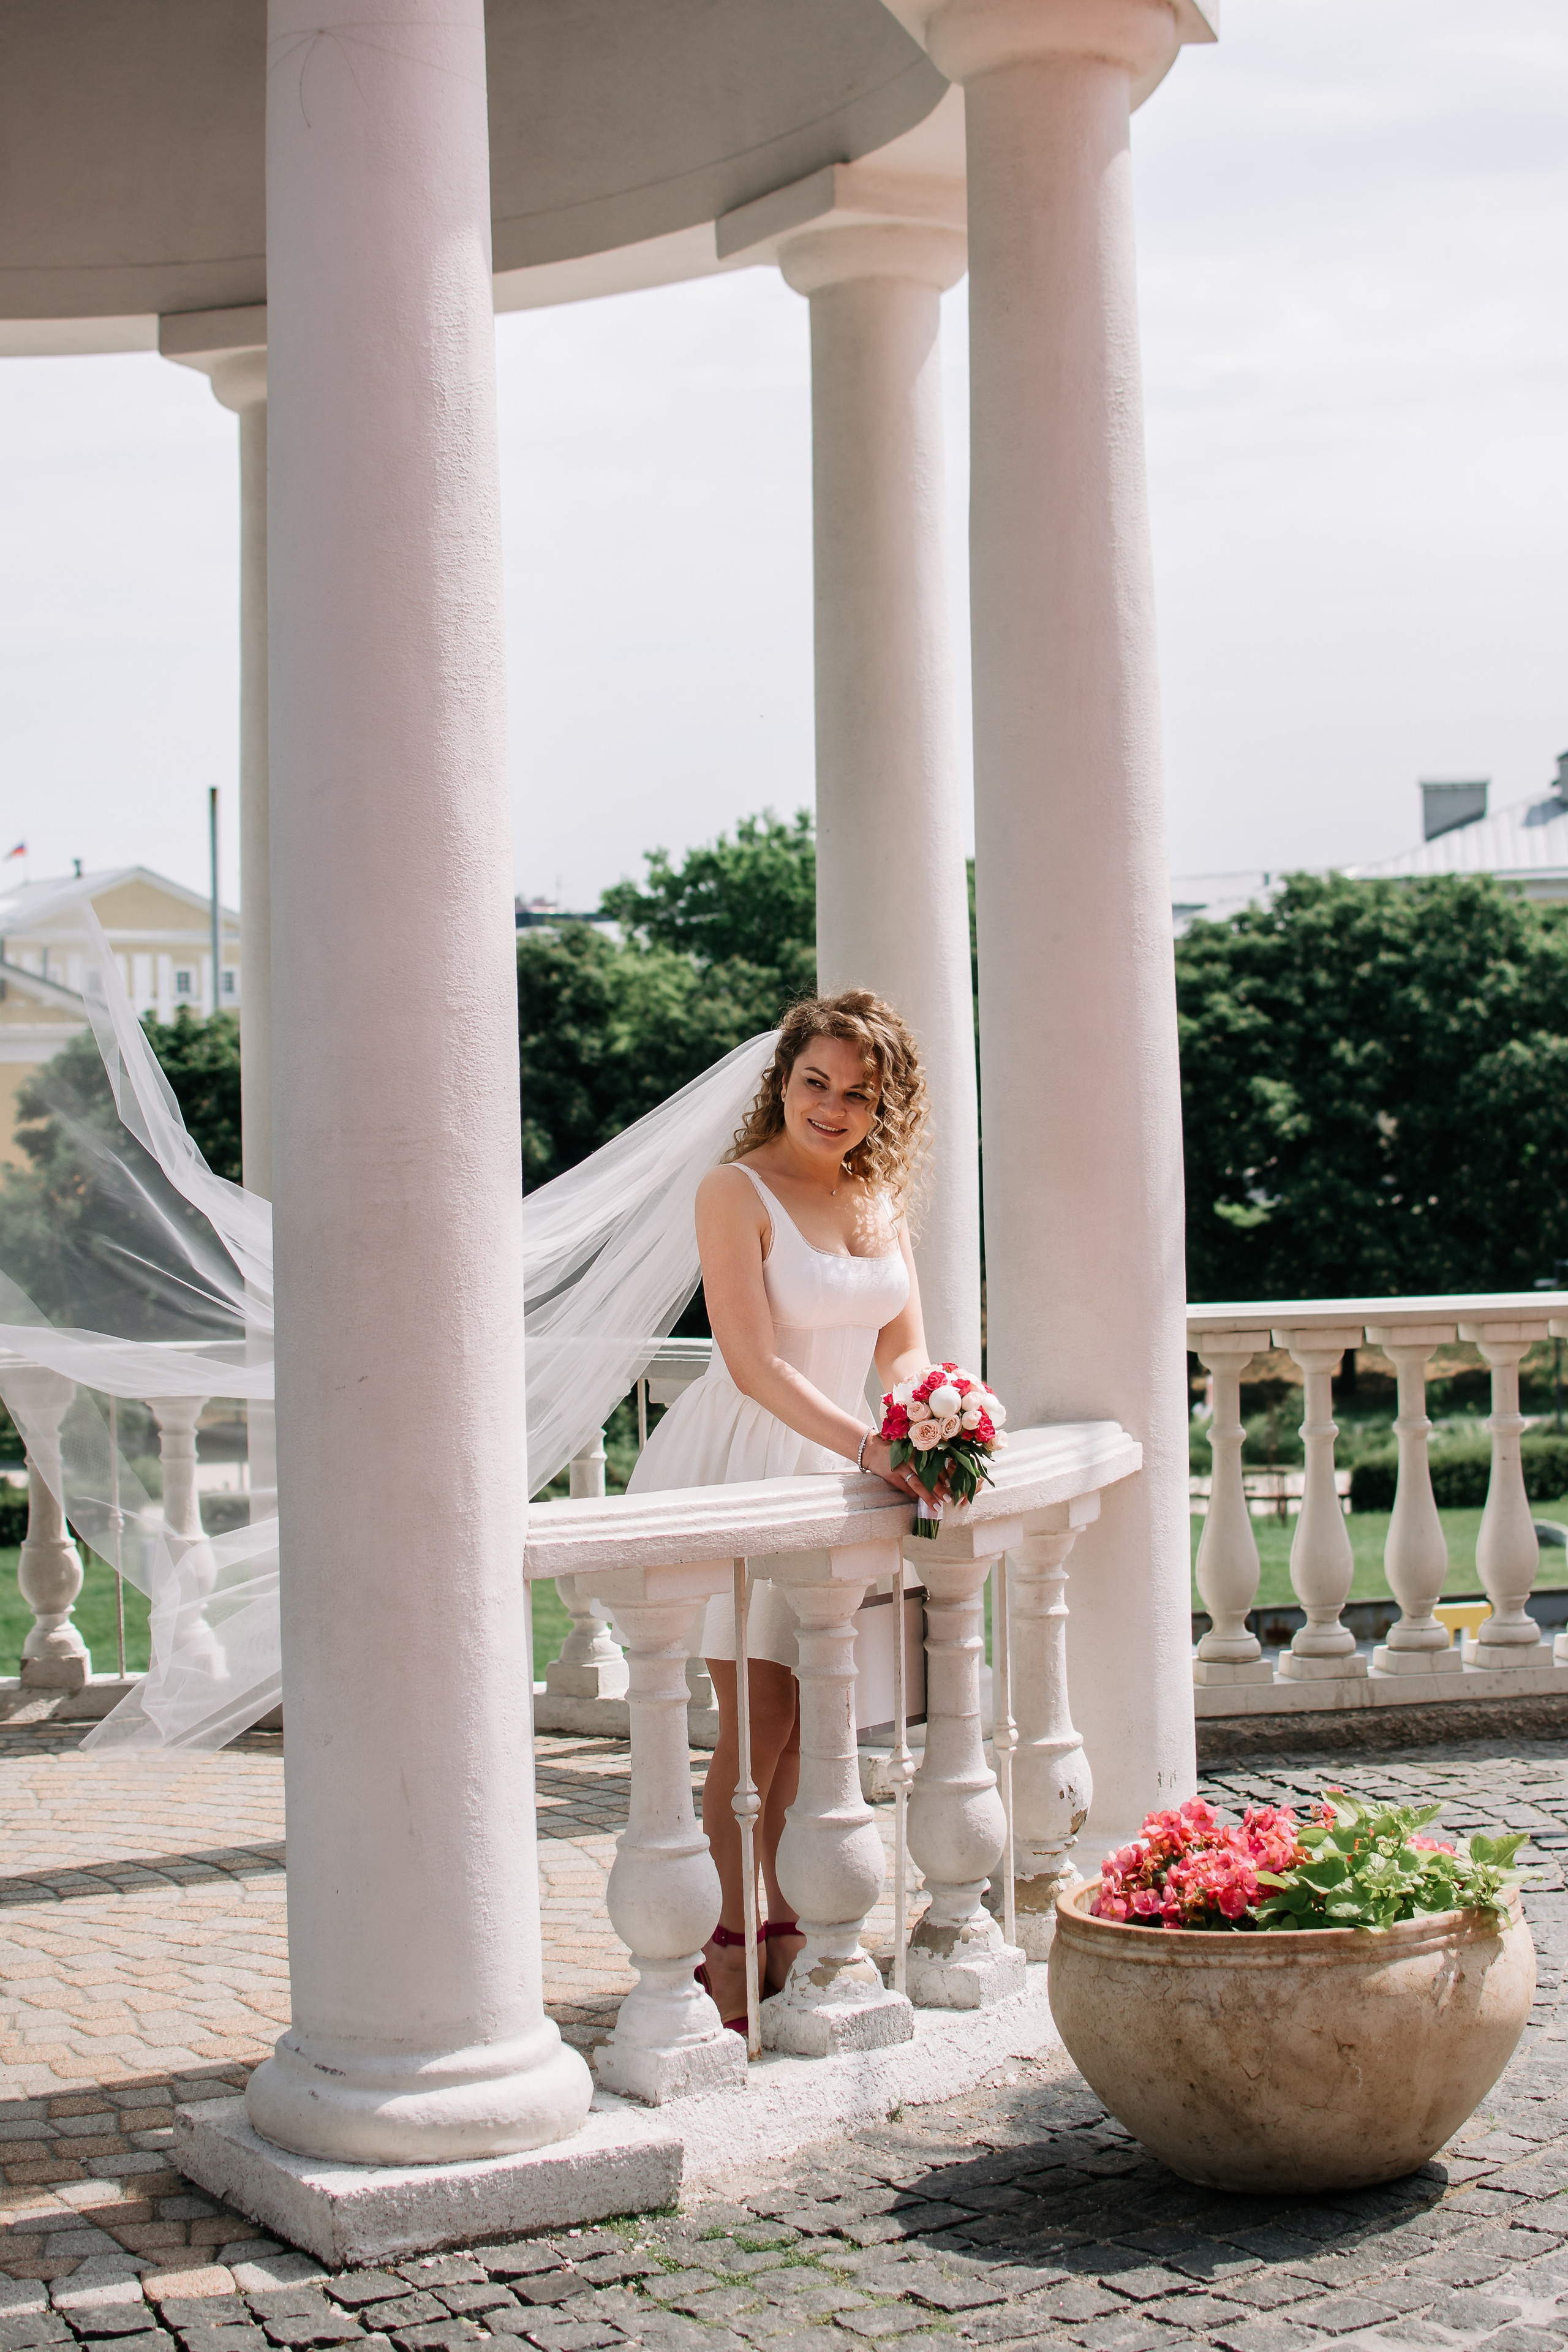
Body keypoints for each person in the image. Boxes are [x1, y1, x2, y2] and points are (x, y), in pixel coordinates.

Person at [626, 989, 941, 2031]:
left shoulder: (877, 1198)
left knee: (813, 1717)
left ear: (883, 1106)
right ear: (785, 1079)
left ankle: (791, 1926)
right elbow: (752, 1363)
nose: (833, 1108)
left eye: (859, 1094)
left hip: (841, 1468)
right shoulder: (736, 1190)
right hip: (749, 1460)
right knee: (757, 1722)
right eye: (817, 1083)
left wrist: (937, 1420)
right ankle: (725, 1943)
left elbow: (904, 1348)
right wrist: (872, 1446)